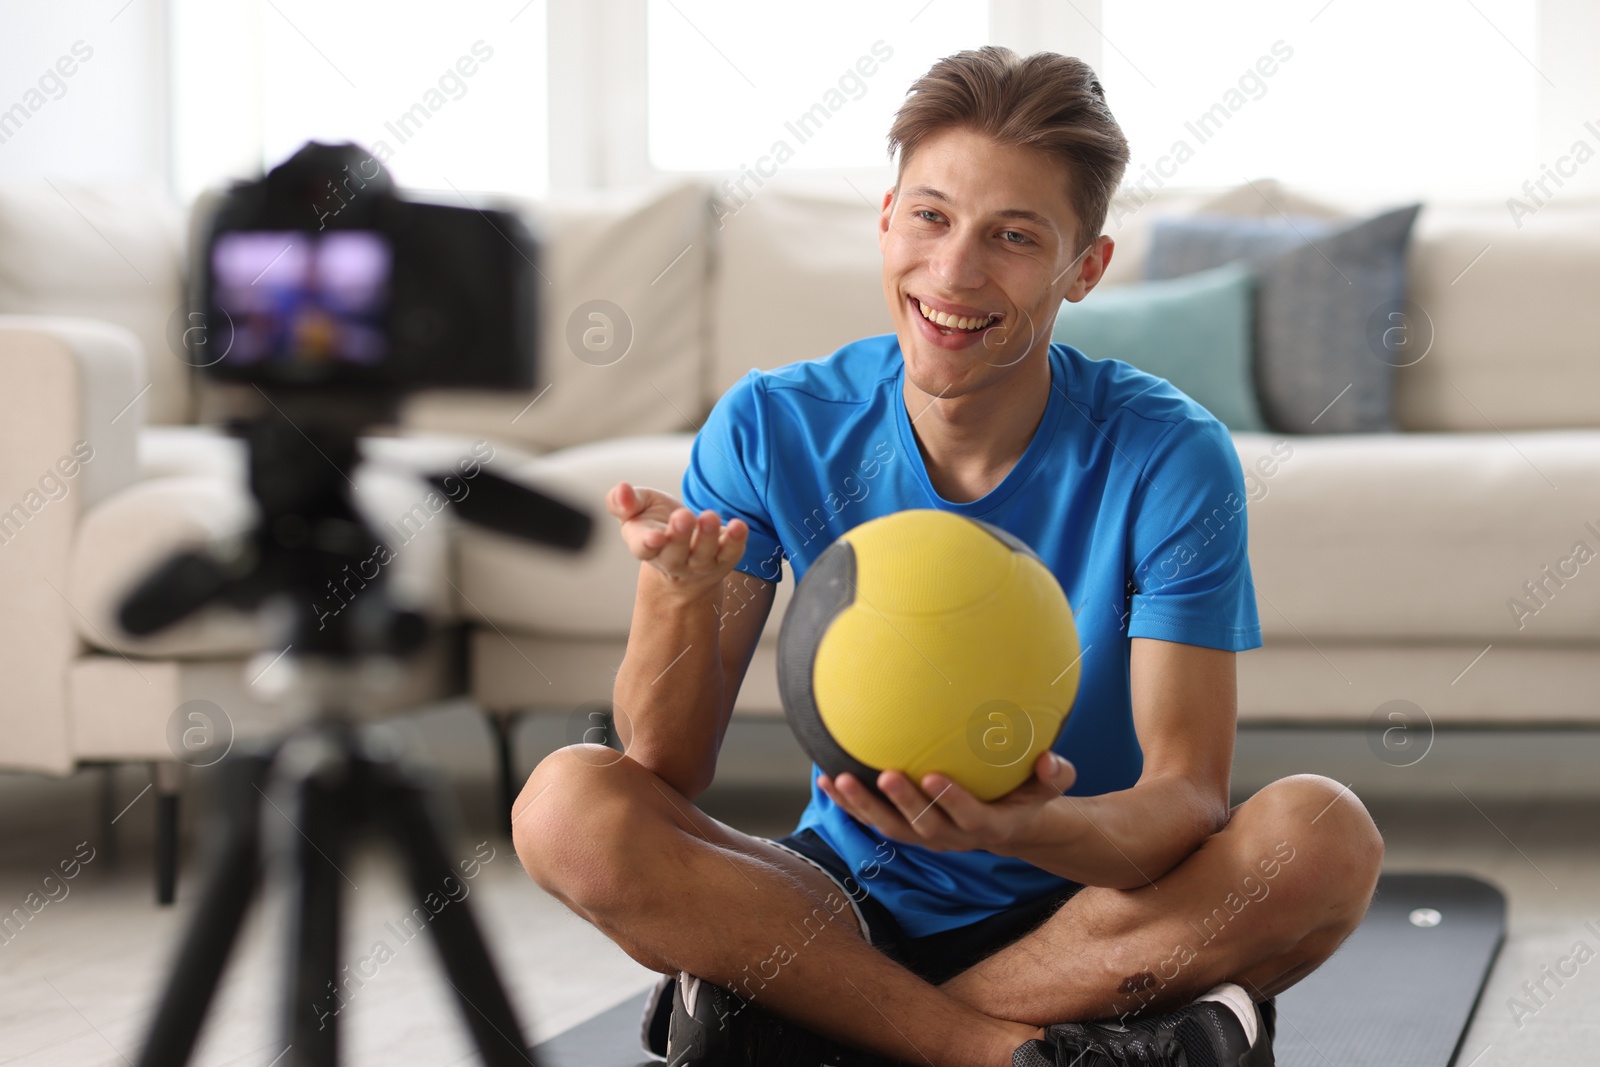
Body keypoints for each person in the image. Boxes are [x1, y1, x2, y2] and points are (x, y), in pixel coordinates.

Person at [512, 46, 1383, 1067]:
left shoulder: (1168, 451)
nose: (956, 272)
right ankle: (1027, 1046)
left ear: (1084, 267)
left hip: (1092, 903)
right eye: (930, 217)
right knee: (567, 803)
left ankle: (815, 1018)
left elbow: (1184, 799)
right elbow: (664, 768)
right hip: (837, 898)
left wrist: (1023, 827)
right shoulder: (771, 423)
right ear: (885, 220)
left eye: (1013, 236)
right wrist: (675, 593)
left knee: (1320, 834)